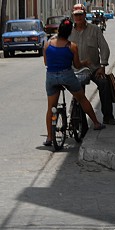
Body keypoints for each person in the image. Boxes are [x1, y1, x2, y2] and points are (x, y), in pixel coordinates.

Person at [42, 18, 104, 146]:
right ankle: (96, 123)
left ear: (58, 30)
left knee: (51, 107)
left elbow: (46, 62)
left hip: (51, 77)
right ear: (70, 32)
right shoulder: (72, 46)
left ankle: (49, 137)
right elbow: (77, 65)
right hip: (67, 75)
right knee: (81, 98)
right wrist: (85, 63)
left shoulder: (48, 44)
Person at [70, 3, 115, 127]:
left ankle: (108, 116)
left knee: (104, 84)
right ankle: (78, 119)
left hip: (93, 68)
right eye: (76, 15)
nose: (79, 17)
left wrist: (102, 66)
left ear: (85, 15)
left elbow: (104, 48)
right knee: (78, 92)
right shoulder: (69, 31)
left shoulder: (94, 29)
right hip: (75, 69)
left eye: (81, 14)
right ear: (73, 16)